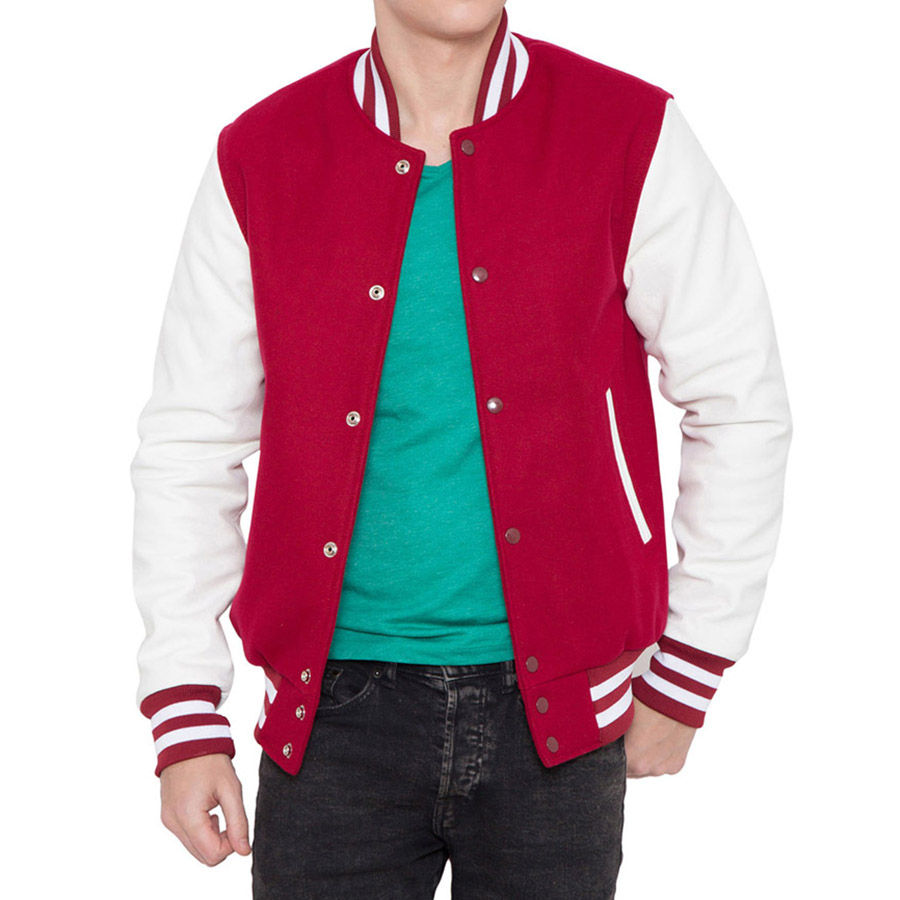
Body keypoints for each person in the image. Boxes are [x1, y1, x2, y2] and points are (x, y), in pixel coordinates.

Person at [130, 1, 792, 897]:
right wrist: (186, 716)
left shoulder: (629, 132)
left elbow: (740, 402)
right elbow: (189, 443)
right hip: (329, 720)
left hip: (560, 716)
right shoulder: (262, 154)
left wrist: (690, 668)